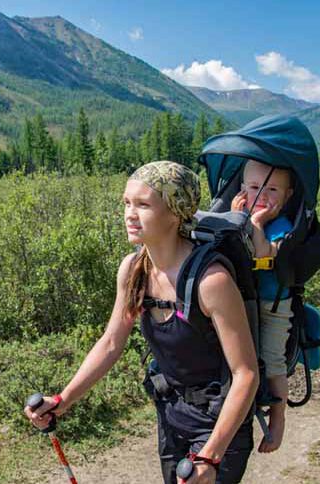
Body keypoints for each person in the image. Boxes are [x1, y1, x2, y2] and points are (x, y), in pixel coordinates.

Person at [25, 161, 259, 484]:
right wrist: (62, 400)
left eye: (143, 204)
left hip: (219, 424)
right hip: (171, 416)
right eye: (126, 203)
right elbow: (110, 343)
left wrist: (210, 455)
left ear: (176, 212)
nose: (129, 214)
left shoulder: (211, 282)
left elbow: (246, 374)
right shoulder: (134, 270)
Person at [230, 159, 295, 453]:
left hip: (273, 305)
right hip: (241, 304)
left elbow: (262, 253)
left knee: (272, 362)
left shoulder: (282, 226)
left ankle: (279, 419)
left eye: (272, 189)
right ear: (243, 190)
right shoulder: (238, 217)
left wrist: (255, 223)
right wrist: (234, 217)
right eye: (255, 188)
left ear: (288, 195)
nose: (261, 196)